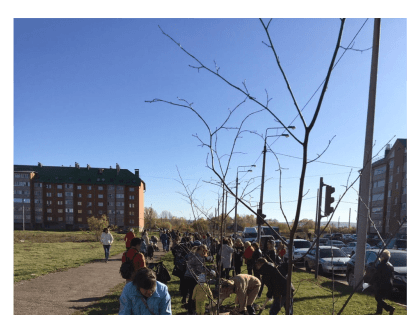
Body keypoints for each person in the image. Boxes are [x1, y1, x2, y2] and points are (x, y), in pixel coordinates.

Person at [184, 244, 207, 315]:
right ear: (200, 250)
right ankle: (191, 310)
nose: (204, 253)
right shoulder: (198, 258)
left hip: (187, 275)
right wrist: (207, 270)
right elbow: (199, 269)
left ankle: (191, 309)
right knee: (193, 294)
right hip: (192, 277)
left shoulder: (192, 254)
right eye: (204, 251)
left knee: (191, 293)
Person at [370, 250, 395, 315]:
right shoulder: (390, 265)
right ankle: (379, 312)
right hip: (388, 284)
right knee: (380, 298)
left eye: (381, 256)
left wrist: (371, 282)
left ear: (383, 257)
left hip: (381, 285)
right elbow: (392, 276)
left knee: (378, 298)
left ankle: (389, 308)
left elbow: (376, 275)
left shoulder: (380, 265)